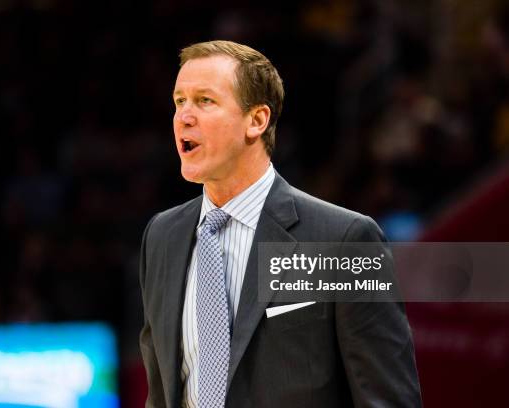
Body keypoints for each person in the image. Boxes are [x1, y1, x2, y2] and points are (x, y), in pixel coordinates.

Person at [139, 40, 421, 408]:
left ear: (257, 121)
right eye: (180, 101)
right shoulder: (161, 236)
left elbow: (388, 400)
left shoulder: (344, 240)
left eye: (205, 101)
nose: (184, 117)